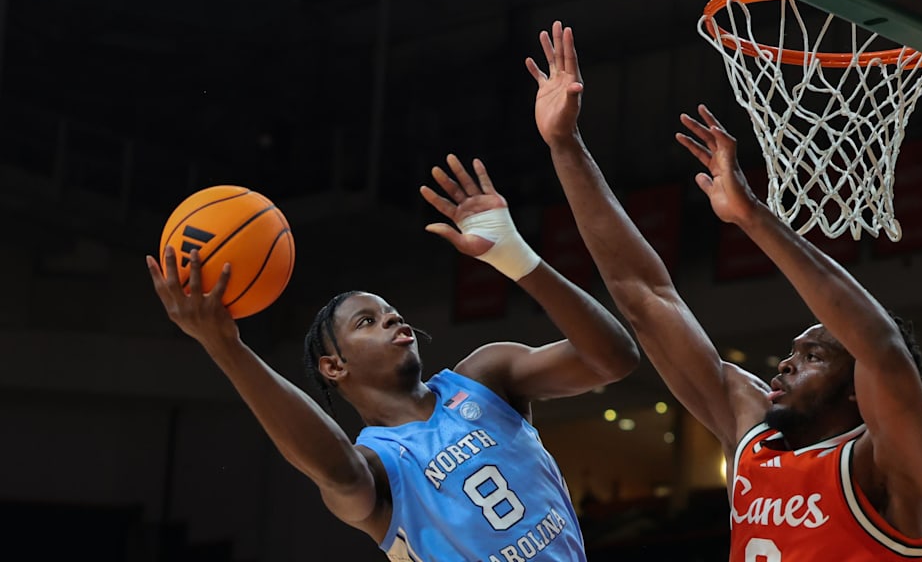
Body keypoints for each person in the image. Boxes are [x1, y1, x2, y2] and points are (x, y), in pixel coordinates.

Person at [525, 20, 922, 561]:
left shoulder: (888, 464)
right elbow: (645, 296)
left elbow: (881, 349)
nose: (785, 365)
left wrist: (753, 218)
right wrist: (565, 145)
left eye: (813, 355)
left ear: (859, 388)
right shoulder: (751, 434)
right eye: (793, 352)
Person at [146, 154, 640, 562]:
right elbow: (336, 469)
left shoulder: (487, 376)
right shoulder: (378, 466)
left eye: (393, 313)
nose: (394, 321)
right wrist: (226, 347)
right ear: (333, 366)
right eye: (367, 321)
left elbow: (613, 360)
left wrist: (514, 257)